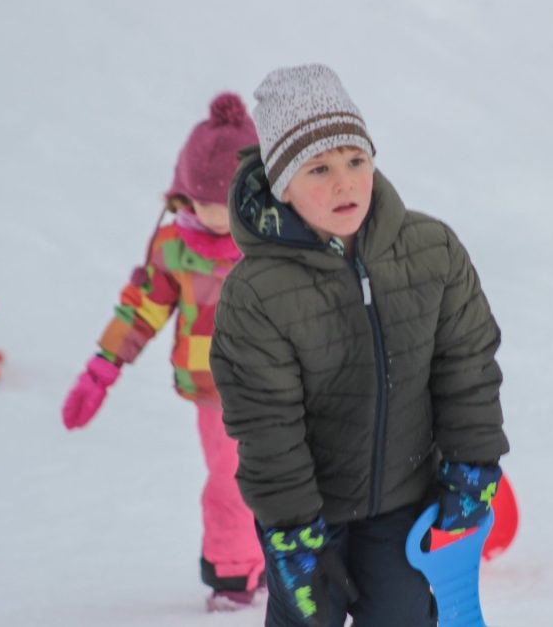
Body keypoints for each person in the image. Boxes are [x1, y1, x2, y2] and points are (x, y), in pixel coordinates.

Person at [209, 64, 509, 627]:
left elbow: (467, 367)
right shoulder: (256, 295)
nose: (345, 182)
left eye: (356, 160)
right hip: (308, 518)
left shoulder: (433, 251)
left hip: (405, 506)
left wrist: (472, 467)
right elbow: (267, 426)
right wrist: (292, 533)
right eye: (318, 168)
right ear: (282, 185)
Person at [61, 93, 266, 611]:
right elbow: (140, 311)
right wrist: (100, 369)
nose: (216, 216)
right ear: (183, 193)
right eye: (204, 203)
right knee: (229, 481)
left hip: (279, 387)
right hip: (215, 394)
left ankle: (269, 559)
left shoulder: (271, 242)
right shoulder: (175, 246)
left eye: (228, 203)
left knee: (282, 477)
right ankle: (233, 575)